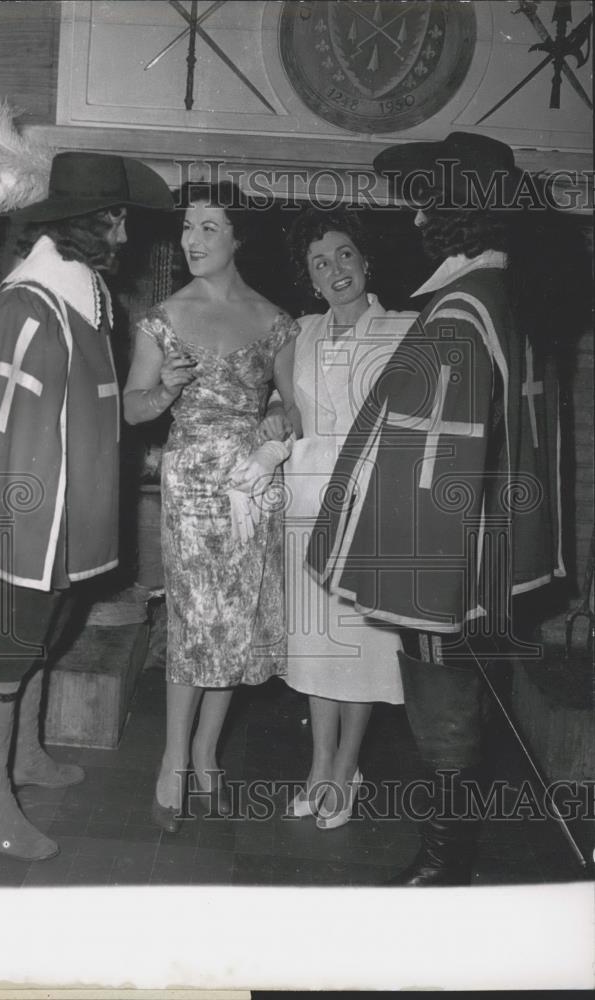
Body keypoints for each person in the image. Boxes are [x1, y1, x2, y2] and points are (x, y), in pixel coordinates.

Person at [306, 133, 563, 884]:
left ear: (455, 214)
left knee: (441, 705)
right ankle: (449, 854)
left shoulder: (458, 312)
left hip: (444, 562)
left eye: (427, 204)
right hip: (488, 551)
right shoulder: (506, 295)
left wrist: (408, 580)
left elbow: (432, 460)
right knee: (463, 698)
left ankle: (445, 867)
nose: (417, 219)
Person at [0, 151, 174, 861]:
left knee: (41, 639)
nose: (124, 237)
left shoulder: (85, 299)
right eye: (114, 221)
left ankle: (22, 758)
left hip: (65, 517)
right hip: (13, 521)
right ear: (82, 224)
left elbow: (88, 415)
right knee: (3, 651)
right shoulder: (26, 306)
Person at [123, 180, 300, 833]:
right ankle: (173, 761)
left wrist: (277, 415)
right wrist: (164, 392)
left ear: (237, 238)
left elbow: (291, 405)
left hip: (250, 484)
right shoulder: (163, 318)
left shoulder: (276, 322)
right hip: (192, 481)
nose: (191, 240)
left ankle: (205, 753)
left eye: (208, 227)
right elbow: (132, 407)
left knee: (236, 620)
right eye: (187, 227)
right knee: (195, 617)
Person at [282, 207, 416, 830]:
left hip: (371, 507)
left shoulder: (404, 329)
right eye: (320, 263)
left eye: (344, 255)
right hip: (308, 505)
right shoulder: (300, 333)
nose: (335, 270)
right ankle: (318, 765)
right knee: (315, 642)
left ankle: (346, 767)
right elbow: (286, 408)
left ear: (365, 261)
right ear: (310, 280)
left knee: (362, 643)